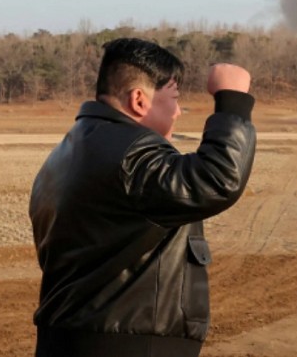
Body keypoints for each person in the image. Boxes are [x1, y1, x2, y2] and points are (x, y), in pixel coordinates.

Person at [29, 38, 256, 357]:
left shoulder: (65, 154)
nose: (178, 112)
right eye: (174, 98)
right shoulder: (130, 153)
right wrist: (232, 101)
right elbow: (215, 180)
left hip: (68, 339)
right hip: (127, 344)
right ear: (139, 100)